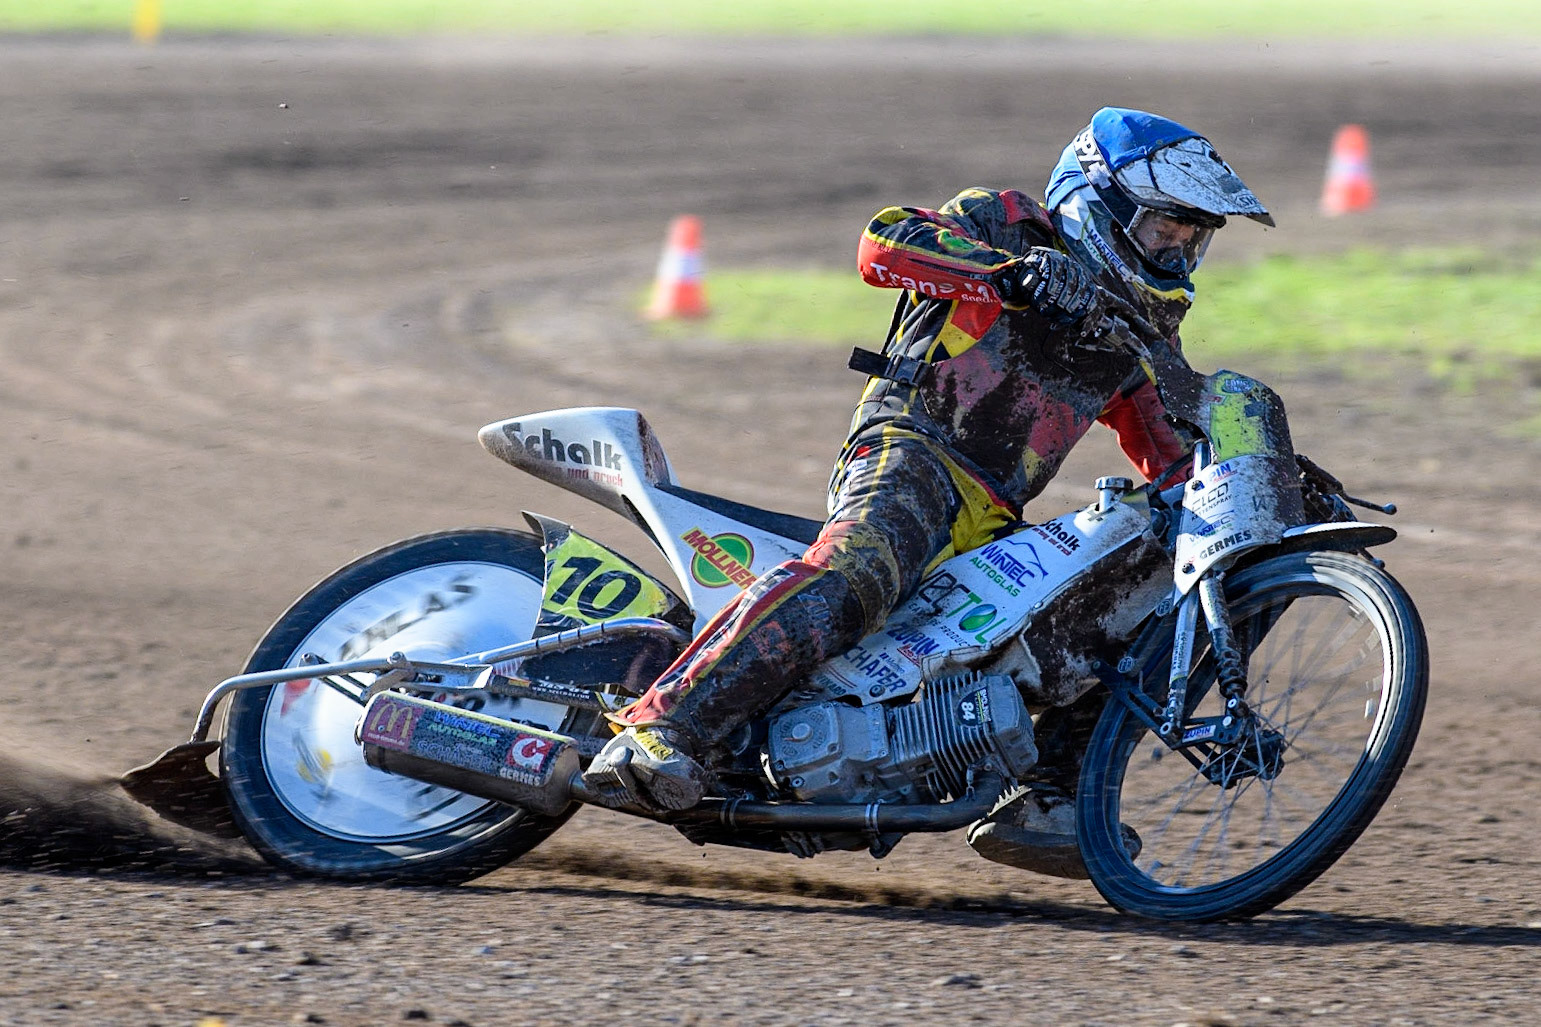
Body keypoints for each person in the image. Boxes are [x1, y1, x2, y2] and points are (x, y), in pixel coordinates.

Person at [584, 107, 1274, 875]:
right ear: (1098, 200)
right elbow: (885, 240)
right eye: (1163, 227)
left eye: (1191, 238)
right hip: (910, 447)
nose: (1175, 250)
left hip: (992, 520)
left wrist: (1262, 490)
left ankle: (1051, 791)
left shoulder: (1138, 335)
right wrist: (1008, 275)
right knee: (863, 570)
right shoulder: (1006, 225)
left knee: (1103, 618)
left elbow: (1175, 458)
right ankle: (663, 724)